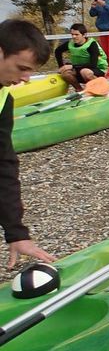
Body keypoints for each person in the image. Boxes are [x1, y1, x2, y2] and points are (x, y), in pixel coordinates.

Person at [0, 19, 57, 269]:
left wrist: (17, 233)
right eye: (21, 68)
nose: (26, 79)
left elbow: (4, 165)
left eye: (31, 71)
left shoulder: (3, 98)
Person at [55, 24, 109, 91]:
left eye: (76, 34)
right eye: (72, 34)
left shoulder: (92, 45)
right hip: (79, 69)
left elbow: (93, 65)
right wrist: (61, 67)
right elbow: (57, 51)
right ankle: (80, 90)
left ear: (84, 35)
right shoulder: (70, 43)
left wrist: (72, 66)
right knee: (65, 74)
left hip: (97, 69)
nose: (74, 37)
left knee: (85, 72)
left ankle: (102, 88)